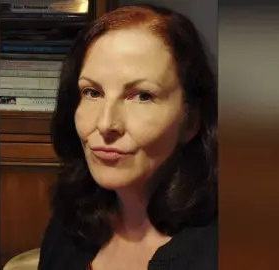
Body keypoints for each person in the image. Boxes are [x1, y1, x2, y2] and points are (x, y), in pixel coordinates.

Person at [38, 4, 217, 270]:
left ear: (190, 120)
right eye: (92, 93)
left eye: (143, 96)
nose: (106, 123)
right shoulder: (69, 228)